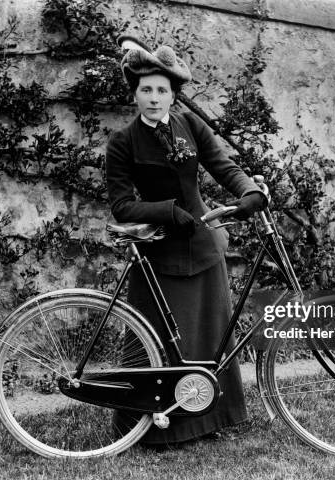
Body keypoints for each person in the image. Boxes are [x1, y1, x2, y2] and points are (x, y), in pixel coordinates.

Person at [105, 39, 268, 444]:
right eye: (146, 89)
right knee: (156, 338)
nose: (154, 98)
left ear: (173, 93)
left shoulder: (191, 126)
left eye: (162, 90)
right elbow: (122, 206)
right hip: (159, 251)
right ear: (135, 93)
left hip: (203, 242)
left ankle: (211, 418)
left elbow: (221, 164)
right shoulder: (122, 142)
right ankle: (156, 430)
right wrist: (165, 211)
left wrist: (249, 192)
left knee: (211, 334)